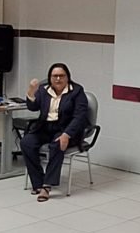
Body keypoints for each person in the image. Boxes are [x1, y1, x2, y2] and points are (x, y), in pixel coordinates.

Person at [21, 63, 89, 202]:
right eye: (54, 76)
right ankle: (38, 183)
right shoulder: (43, 89)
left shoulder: (76, 91)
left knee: (57, 145)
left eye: (61, 76)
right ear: (50, 78)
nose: (58, 79)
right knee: (26, 143)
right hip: (44, 127)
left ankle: (47, 186)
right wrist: (31, 92)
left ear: (67, 77)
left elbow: (80, 116)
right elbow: (33, 107)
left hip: (65, 129)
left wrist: (67, 134)